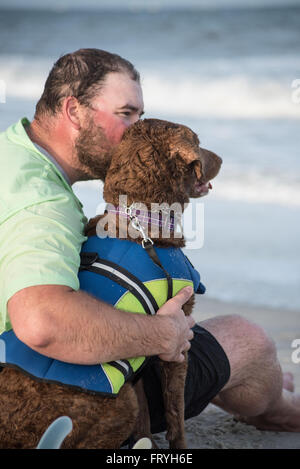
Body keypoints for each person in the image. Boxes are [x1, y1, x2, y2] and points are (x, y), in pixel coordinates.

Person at [0, 48, 299, 435]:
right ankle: (279, 408)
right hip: (49, 396)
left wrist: (173, 185)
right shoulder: (45, 205)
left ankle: (254, 388)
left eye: (140, 116)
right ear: (74, 111)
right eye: (126, 114)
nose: (139, 132)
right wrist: (164, 335)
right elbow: (43, 322)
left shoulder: (14, 158)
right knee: (247, 339)